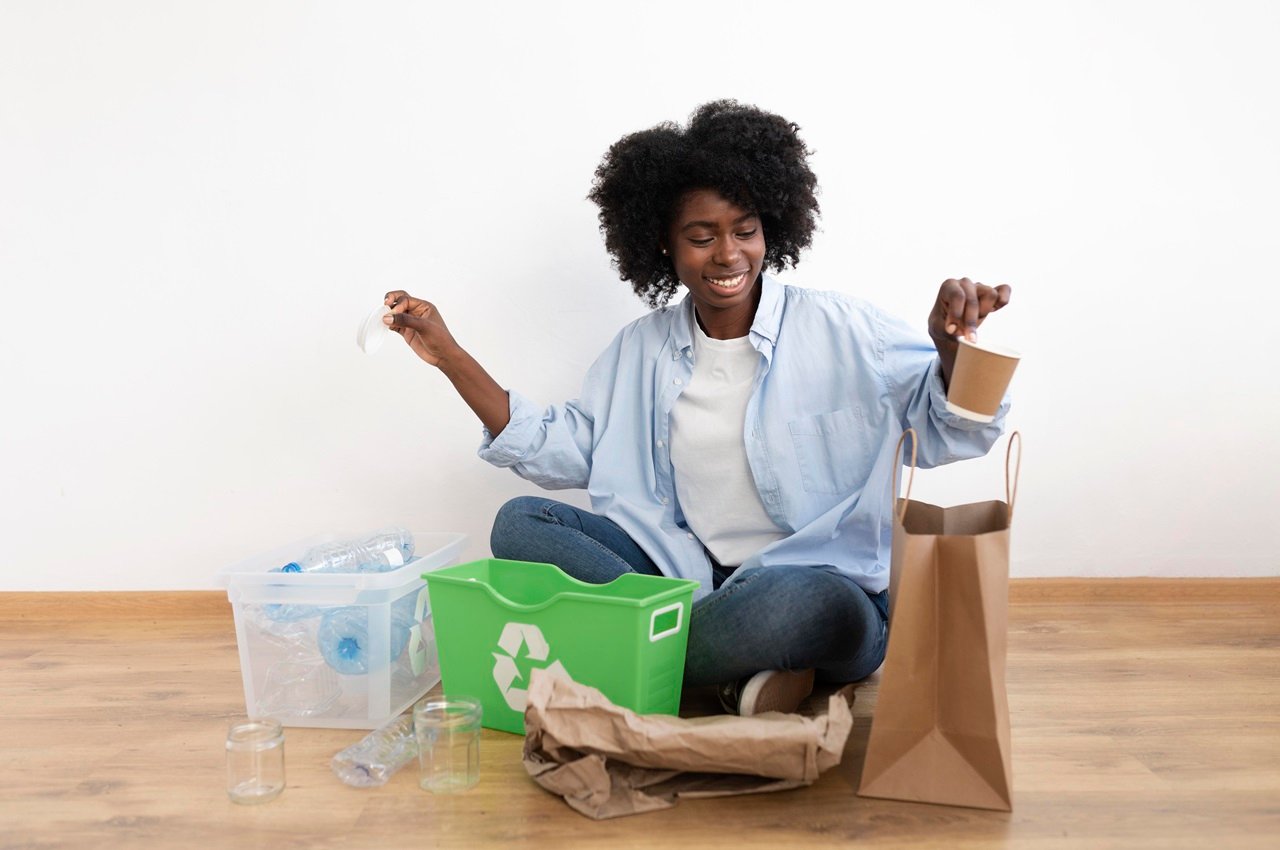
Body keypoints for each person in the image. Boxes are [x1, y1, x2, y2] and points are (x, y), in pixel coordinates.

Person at [383, 100, 1011, 716]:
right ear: (664, 245)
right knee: (521, 523)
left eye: (745, 231)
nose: (728, 254)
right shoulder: (639, 350)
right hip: (686, 580)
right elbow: (562, 447)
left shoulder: (850, 330)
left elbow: (954, 433)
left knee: (795, 605)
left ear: (772, 228)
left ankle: (656, 654)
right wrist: (450, 355)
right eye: (702, 237)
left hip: (821, 586)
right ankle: (739, 669)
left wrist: (951, 353)